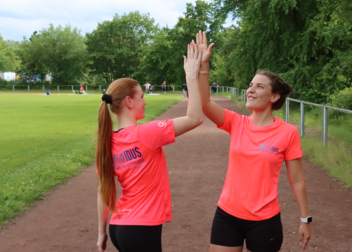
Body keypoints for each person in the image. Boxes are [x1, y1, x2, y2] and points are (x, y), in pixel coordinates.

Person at [195, 31, 312, 252]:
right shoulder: (236, 122)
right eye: (251, 85)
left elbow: (297, 180)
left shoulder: (287, 132)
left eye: (259, 86)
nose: (250, 89)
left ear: (274, 97)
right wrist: (203, 67)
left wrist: (306, 219)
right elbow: (204, 103)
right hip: (227, 215)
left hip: (265, 221)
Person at [96, 43, 203, 252]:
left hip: (119, 227)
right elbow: (195, 118)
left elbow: (104, 191)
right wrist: (191, 77)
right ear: (129, 101)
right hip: (141, 229)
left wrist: (101, 232)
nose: (144, 102)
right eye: (141, 97)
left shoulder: (106, 142)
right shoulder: (145, 133)